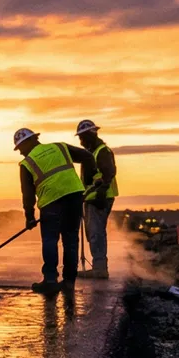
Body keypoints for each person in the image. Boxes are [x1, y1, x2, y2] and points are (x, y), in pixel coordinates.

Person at [15, 127, 93, 295]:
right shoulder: (60, 147)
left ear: (29, 142)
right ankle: (69, 282)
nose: (20, 152)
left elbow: (27, 194)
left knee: (50, 240)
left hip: (51, 202)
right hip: (74, 197)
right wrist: (90, 180)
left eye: (20, 147)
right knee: (70, 240)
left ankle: (50, 280)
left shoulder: (27, 163)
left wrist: (29, 217)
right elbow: (87, 156)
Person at [74, 119, 119, 280]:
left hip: (99, 198)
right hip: (93, 197)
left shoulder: (101, 151)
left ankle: (100, 269)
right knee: (94, 232)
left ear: (90, 135)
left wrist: (101, 191)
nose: (81, 141)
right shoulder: (92, 153)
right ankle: (99, 266)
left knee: (96, 233)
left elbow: (109, 172)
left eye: (82, 137)